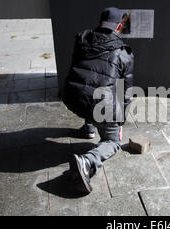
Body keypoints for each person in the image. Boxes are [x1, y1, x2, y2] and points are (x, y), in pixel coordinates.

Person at [63, 7, 134, 193]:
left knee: (92, 89)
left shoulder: (82, 39)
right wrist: (121, 119)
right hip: (97, 105)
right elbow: (125, 92)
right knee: (113, 142)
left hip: (73, 97)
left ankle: (89, 128)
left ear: (101, 23)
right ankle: (87, 163)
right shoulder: (123, 53)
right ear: (119, 26)